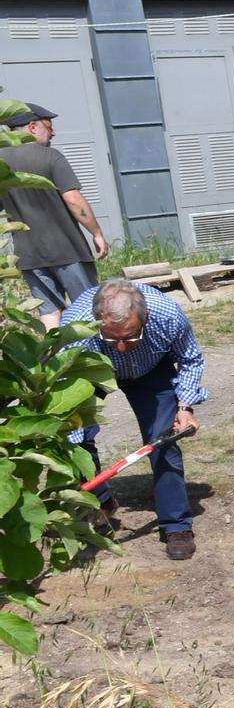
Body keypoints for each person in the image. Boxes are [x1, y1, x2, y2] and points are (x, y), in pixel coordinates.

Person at [61, 280, 207, 560]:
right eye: (111, 338)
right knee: (74, 438)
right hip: (92, 370)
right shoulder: (76, 325)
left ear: (145, 320)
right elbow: (64, 377)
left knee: (164, 439)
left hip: (151, 368)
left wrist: (185, 407)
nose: (121, 347)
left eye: (130, 337)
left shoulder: (166, 314)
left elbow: (190, 359)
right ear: (96, 322)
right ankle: (101, 503)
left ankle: (176, 525)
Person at [1, 103, 110, 328]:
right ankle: (96, 358)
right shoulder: (50, 156)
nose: (53, 133)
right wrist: (96, 233)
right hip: (67, 250)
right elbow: (73, 199)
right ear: (32, 127)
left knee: (49, 311)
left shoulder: (1, 164)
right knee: (88, 307)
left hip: (28, 255)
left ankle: (54, 361)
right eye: (48, 127)